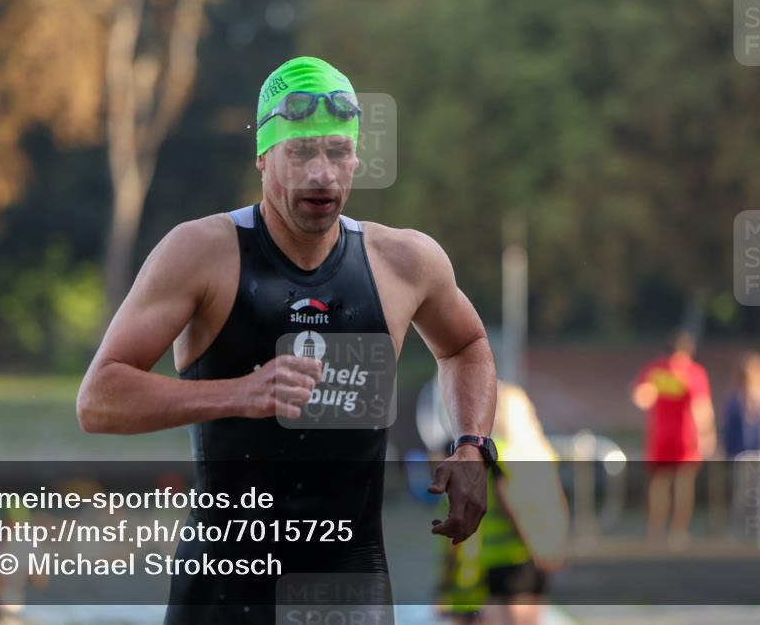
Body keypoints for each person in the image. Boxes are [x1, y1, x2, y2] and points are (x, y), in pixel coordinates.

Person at [77, 56, 497, 623]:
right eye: (300, 153)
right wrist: (239, 395)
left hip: (350, 585)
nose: (321, 173)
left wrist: (472, 442)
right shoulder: (201, 253)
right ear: (264, 159)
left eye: (336, 152)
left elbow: (465, 344)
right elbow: (99, 399)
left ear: (356, 158)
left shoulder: (404, 261)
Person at [435, 383, 568, 625]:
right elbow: (558, 502)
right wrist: (553, 546)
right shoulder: (543, 451)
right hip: (540, 550)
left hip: (503, 556)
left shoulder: (496, 454)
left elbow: (511, 503)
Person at [631, 330, 716, 545]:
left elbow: (701, 407)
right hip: (663, 438)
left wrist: (706, 435)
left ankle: (677, 529)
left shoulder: (692, 373)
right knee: (660, 484)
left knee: (682, 484)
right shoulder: (659, 371)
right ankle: (656, 528)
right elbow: (641, 395)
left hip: (685, 439)